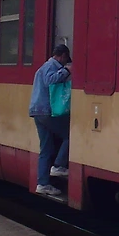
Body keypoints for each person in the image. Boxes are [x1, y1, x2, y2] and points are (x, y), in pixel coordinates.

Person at [29, 44, 72, 198]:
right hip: (46, 111)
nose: (65, 62)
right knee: (69, 134)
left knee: (46, 149)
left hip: (37, 112)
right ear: (62, 56)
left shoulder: (43, 67)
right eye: (66, 59)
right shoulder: (51, 66)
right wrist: (67, 70)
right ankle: (59, 166)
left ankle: (42, 184)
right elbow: (50, 81)